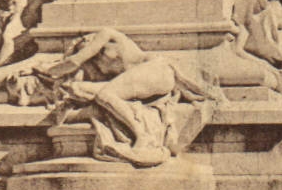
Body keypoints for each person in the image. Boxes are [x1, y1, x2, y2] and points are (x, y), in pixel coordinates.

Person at [43, 27, 220, 167]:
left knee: (105, 94)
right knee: (91, 91)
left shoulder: (106, 34)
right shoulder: (103, 63)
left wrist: (44, 70)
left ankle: (142, 135)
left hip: (157, 69)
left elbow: (74, 61)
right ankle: (141, 133)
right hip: (154, 78)